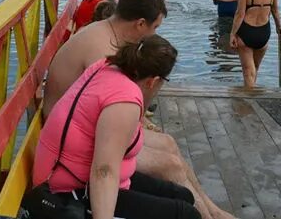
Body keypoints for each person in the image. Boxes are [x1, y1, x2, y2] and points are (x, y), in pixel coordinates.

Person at [42, 0, 234, 219]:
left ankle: (211, 211)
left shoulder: (107, 40)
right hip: (72, 159)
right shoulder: (102, 53)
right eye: (155, 28)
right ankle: (207, 215)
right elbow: (104, 168)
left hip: (77, 137)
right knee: (170, 166)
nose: (153, 35)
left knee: (169, 145)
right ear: (140, 24)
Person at [30, 36, 199, 219]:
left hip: (69, 175)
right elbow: (104, 171)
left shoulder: (106, 66)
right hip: (66, 192)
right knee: (186, 214)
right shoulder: (125, 101)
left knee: (182, 195)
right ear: (153, 81)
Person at [229, 0, 281, 88]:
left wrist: (232, 34)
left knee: (248, 72)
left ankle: (248, 103)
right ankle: (253, 94)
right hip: (264, 32)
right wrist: (279, 27)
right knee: (255, 68)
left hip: (247, 32)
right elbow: (275, 10)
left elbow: (240, 14)